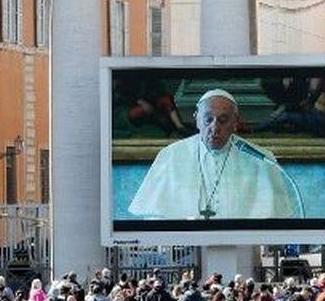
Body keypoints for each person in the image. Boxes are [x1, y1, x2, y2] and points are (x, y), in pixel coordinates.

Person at [126, 90, 301, 221]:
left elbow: (274, 222)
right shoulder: (170, 156)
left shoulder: (261, 159)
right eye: (208, 119)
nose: (214, 128)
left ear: (235, 123)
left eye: (223, 120)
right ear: (196, 119)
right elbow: (156, 219)